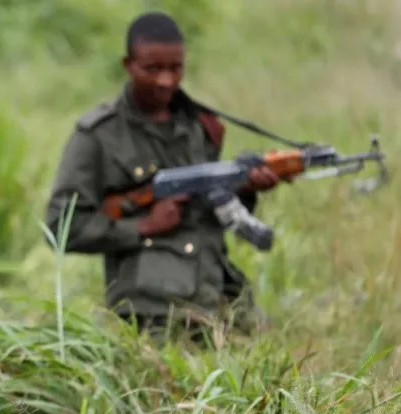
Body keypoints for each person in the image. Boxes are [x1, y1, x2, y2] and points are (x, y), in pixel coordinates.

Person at [44, 11, 284, 339]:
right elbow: (61, 227)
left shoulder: (200, 126)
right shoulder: (98, 136)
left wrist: (245, 190)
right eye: (152, 69)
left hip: (217, 296)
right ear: (128, 65)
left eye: (176, 68)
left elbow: (207, 215)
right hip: (150, 311)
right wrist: (143, 226)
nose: (166, 81)